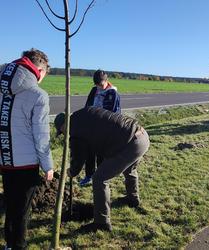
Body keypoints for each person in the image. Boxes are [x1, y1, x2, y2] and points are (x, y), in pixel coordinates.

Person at [54, 107, 150, 232]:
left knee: (99, 179)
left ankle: (101, 222)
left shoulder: (75, 130)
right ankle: (133, 199)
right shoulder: (85, 113)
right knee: (130, 169)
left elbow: (78, 157)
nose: (63, 135)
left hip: (130, 144)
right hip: (141, 135)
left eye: (61, 132)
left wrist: (72, 171)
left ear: (63, 126)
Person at [0, 49, 54, 249]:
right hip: (26, 164)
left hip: (5, 160)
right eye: (43, 75)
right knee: (22, 211)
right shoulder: (38, 95)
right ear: (38, 70)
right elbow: (41, 136)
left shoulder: (2, 89)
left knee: (11, 204)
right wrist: (48, 165)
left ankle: (9, 244)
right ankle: (17, 246)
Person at [80, 69, 121, 187]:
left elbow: (113, 113)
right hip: (92, 126)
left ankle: (101, 177)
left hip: (105, 128)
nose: (99, 87)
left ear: (106, 81)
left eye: (101, 85)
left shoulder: (113, 94)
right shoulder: (94, 90)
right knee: (89, 152)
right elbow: (88, 105)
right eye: (96, 85)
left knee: (101, 154)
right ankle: (89, 176)